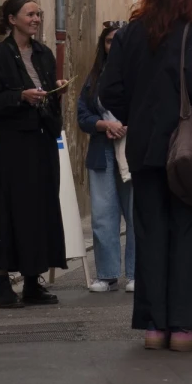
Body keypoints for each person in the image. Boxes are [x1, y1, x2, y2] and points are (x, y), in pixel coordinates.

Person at [99, 0, 192, 352]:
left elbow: (109, 90)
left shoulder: (129, 34)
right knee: (190, 234)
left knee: (151, 235)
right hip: (185, 150)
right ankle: (188, 329)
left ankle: (156, 328)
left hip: (143, 149)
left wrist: (139, 115)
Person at [0, 0, 68, 309]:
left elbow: (47, 96)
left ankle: (32, 281)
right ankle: (3, 285)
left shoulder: (43, 54)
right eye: (30, 14)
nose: (36, 19)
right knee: (10, 210)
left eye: (38, 14)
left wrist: (57, 90)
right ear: (12, 19)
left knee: (40, 210)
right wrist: (19, 96)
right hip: (15, 146)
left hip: (43, 142)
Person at [78, 21, 135, 293]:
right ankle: (107, 275)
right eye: (110, 41)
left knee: (136, 215)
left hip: (133, 150)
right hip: (101, 152)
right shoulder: (94, 77)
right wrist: (104, 125)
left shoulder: (139, 72)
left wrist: (126, 126)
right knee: (102, 215)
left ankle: (136, 274)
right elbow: (82, 116)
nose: (114, 45)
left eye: (119, 40)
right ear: (103, 45)